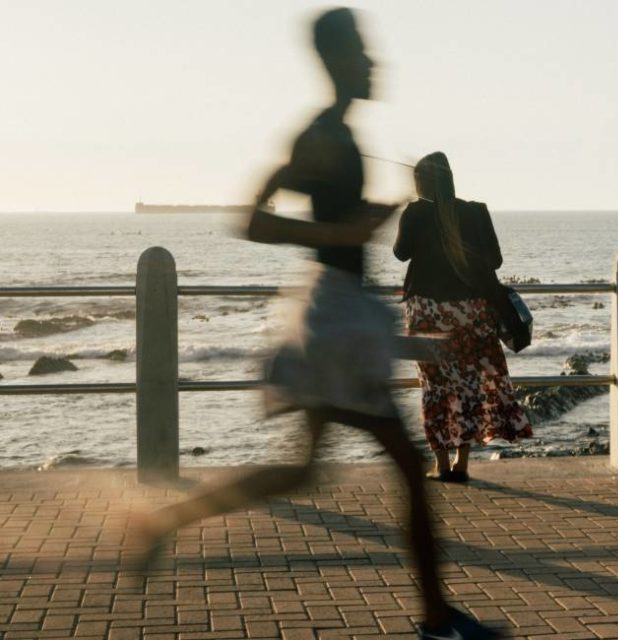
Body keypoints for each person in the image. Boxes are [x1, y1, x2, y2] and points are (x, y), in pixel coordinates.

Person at [128, 9, 501, 638]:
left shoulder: (340, 134)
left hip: (341, 310)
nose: (373, 61)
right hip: (334, 313)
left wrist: (360, 222)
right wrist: (342, 231)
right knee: (407, 467)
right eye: (360, 49)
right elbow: (251, 219)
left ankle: (162, 522)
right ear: (334, 59)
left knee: (305, 471)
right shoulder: (322, 135)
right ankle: (437, 619)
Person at [394, 152, 533, 483]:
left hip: (427, 311)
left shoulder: (416, 212)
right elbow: (495, 261)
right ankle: (461, 463)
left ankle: (439, 463)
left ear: (422, 182)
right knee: (467, 386)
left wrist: (411, 214)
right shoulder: (476, 211)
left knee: (434, 387)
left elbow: (401, 252)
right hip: (471, 312)